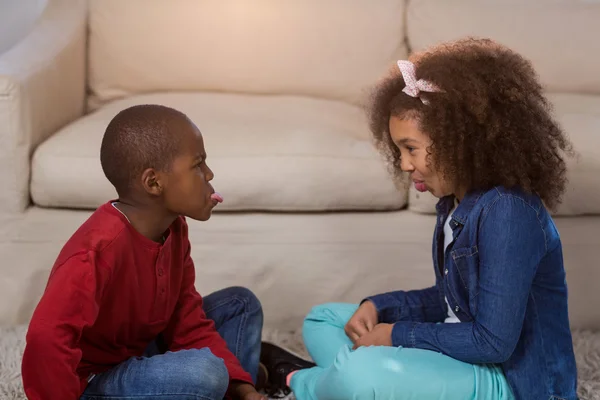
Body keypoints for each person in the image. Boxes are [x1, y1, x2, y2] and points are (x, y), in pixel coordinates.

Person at [260, 38, 579, 400]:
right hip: (462, 358)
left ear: (459, 141)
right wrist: (380, 307)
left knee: (360, 370)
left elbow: (493, 343)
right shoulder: (454, 204)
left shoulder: (508, 212)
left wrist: (396, 335)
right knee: (324, 321)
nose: (403, 164)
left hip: (507, 381)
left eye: (410, 148)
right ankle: (344, 382)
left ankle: (300, 382)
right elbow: (452, 301)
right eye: (398, 149)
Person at [22, 105, 267, 400]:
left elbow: (185, 320)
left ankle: (234, 385)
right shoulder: (94, 253)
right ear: (154, 182)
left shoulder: (175, 230)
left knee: (241, 304)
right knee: (207, 372)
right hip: (93, 379)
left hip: (140, 350)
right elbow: (45, 340)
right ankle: (223, 379)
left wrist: (243, 388)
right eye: (198, 164)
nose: (210, 173)